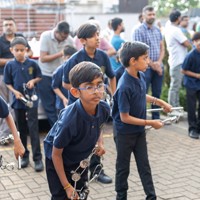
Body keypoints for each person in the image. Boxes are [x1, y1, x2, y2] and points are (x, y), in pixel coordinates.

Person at [112, 41, 172, 200]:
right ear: (133, 61)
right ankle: (121, 196)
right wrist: (150, 123)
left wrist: (160, 102)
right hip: (124, 133)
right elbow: (124, 118)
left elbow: (140, 94)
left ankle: (151, 197)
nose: (148, 61)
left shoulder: (141, 75)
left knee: (144, 166)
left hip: (138, 132)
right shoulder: (124, 85)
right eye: (145, 58)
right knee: (123, 168)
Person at [44, 61, 110, 199]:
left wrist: (100, 142)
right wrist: (67, 186)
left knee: (81, 192)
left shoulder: (104, 108)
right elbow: (56, 155)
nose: (97, 91)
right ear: (75, 92)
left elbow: (100, 125)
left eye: (99, 85)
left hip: (80, 159)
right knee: (62, 196)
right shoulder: (69, 121)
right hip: (58, 160)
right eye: (89, 87)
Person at [63, 22, 116, 184]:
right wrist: (83, 95)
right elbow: (66, 83)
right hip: (79, 108)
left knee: (96, 137)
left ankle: (97, 170)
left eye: (98, 35)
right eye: (94, 36)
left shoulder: (103, 56)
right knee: (79, 139)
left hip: (97, 105)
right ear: (83, 40)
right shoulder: (75, 59)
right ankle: (74, 171)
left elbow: (112, 76)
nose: (98, 38)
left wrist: (113, 96)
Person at [4, 37, 44, 172]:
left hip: (31, 100)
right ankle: (24, 156)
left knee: (34, 129)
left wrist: (33, 81)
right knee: (21, 129)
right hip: (17, 101)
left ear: (26, 50)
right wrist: (15, 92)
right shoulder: (9, 65)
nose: (20, 52)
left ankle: (37, 158)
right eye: (17, 50)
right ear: (11, 51)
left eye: (22, 50)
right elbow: (7, 83)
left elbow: (39, 76)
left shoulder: (32, 64)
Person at [0, 17, 33, 140]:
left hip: (19, 77)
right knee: (4, 106)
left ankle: (9, 134)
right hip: (3, 77)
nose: (8, 26)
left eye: (10, 24)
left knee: (14, 106)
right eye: (6, 24)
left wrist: (20, 55)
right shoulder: (0, 41)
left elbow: (30, 52)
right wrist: (14, 60)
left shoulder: (20, 38)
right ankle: (4, 135)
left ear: (15, 26)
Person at [38, 20, 74, 127]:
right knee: (49, 106)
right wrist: (61, 54)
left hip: (61, 75)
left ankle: (62, 127)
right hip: (45, 74)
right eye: (62, 37)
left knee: (61, 105)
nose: (64, 39)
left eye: (66, 37)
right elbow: (43, 58)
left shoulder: (69, 40)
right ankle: (56, 129)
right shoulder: (45, 36)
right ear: (56, 32)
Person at [133, 5, 165, 119]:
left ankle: (156, 117)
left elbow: (162, 48)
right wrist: (153, 65)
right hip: (144, 68)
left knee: (157, 93)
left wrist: (159, 63)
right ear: (143, 16)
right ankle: (142, 118)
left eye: (153, 14)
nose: (152, 16)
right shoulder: (138, 31)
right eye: (149, 14)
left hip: (158, 66)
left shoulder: (157, 30)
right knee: (143, 93)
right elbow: (139, 53)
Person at [165, 10, 191, 114]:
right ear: (178, 18)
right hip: (177, 62)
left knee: (176, 86)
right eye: (180, 18)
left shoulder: (170, 28)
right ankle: (172, 109)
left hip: (176, 60)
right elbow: (186, 43)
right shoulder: (175, 30)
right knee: (175, 86)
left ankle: (176, 108)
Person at [181, 32, 200, 139]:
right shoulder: (191, 55)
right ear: (195, 43)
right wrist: (196, 75)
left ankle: (198, 127)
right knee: (192, 108)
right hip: (191, 84)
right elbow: (183, 70)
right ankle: (192, 129)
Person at [52, 45, 77, 114]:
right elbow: (55, 87)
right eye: (68, 58)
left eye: (72, 58)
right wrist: (63, 98)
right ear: (63, 57)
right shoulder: (59, 71)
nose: (70, 60)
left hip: (75, 103)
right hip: (62, 105)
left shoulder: (77, 70)